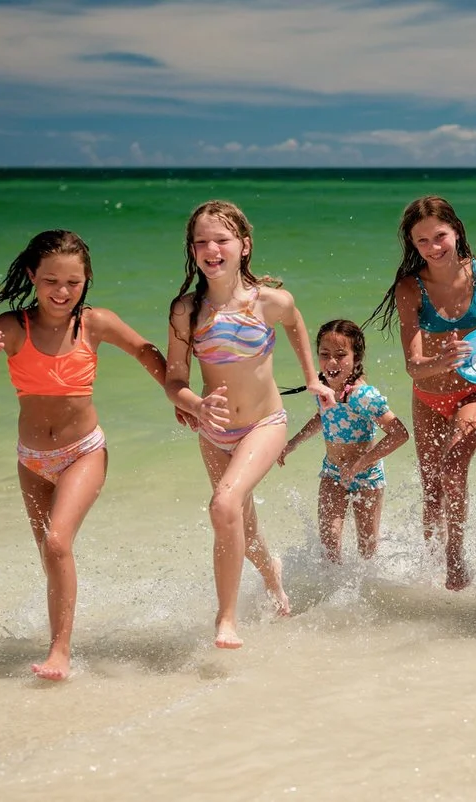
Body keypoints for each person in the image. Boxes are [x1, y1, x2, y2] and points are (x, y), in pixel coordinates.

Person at [0, 230, 170, 680]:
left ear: (86, 281)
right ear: (32, 276)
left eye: (73, 282)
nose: (62, 292)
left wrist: (181, 396)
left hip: (83, 451)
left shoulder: (96, 323)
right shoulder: (11, 327)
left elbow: (146, 351)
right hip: (31, 459)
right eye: (51, 281)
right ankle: (62, 636)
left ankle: (59, 653)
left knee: (57, 541)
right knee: (51, 556)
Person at [165, 200, 335, 649]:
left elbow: (296, 323)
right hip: (214, 432)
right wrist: (195, 404)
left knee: (223, 505)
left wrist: (312, 379)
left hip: (264, 423)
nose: (210, 249)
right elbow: (175, 379)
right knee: (242, 522)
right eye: (200, 241)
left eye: (221, 239)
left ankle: (226, 620)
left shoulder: (269, 302)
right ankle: (273, 576)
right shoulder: (186, 310)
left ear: (243, 245)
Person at [368, 195, 476, 591]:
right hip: (426, 397)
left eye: (439, 236)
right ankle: (428, 564)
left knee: (453, 468)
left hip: (473, 392)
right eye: (421, 241)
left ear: (456, 231)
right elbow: (412, 364)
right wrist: (441, 362)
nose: (433, 247)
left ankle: (455, 559)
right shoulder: (411, 288)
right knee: (431, 489)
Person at [279, 319, 410, 564]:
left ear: (356, 358)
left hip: (367, 477)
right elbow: (322, 418)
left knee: (367, 552)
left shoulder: (363, 395)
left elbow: (399, 434)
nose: (331, 362)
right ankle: (332, 598)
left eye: (340, 355)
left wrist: (361, 463)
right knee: (329, 548)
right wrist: (293, 443)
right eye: (324, 354)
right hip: (332, 472)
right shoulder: (322, 388)